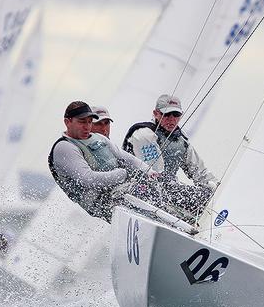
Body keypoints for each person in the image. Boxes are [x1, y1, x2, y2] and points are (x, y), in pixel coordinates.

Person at [48, 101, 155, 222]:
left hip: (122, 191)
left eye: (89, 122)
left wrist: (150, 172)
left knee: (160, 189)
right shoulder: (64, 147)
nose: (87, 126)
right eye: (82, 122)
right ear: (67, 122)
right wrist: (123, 174)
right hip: (101, 203)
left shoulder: (99, 138)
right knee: (146, 199)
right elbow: (88, 179)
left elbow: (127, 158)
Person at [122, 94, 218, 222]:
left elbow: (200, 172)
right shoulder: (143, 134)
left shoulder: (180, 140)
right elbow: (155, 174)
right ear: (156, 114)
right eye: (166, 115)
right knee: (189, 197)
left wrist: (216, 189)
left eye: (176, 115)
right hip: (138, 189)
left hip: (166, 190)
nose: (171, 119)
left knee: (207, 196)